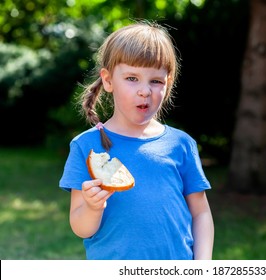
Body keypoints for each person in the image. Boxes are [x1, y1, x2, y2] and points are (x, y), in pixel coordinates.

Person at [59, 21, 214, 260]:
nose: (145, 91)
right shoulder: (86, 147)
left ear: (168, 84)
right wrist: (92, 207)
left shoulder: (181, 144)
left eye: (156, 81)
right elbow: (81, 227)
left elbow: (201, 213)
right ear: (108, 80)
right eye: (132, 78)